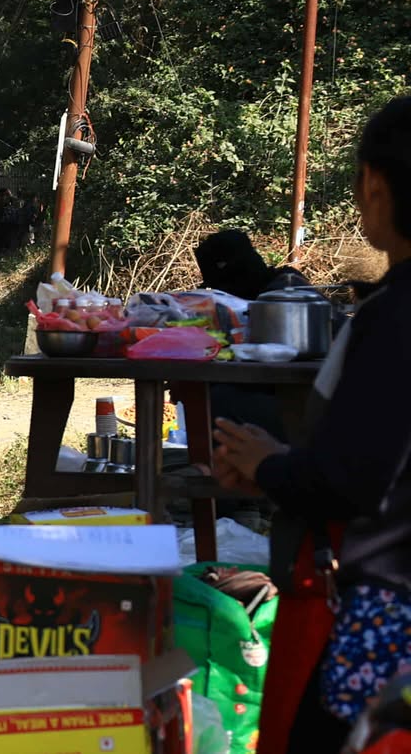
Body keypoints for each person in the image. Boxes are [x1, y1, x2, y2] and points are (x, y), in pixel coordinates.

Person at [213, 96, 411, 749]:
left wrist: (270, 463)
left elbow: (352, 478)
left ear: (375, 184)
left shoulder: (395, 319)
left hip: (376, 619)